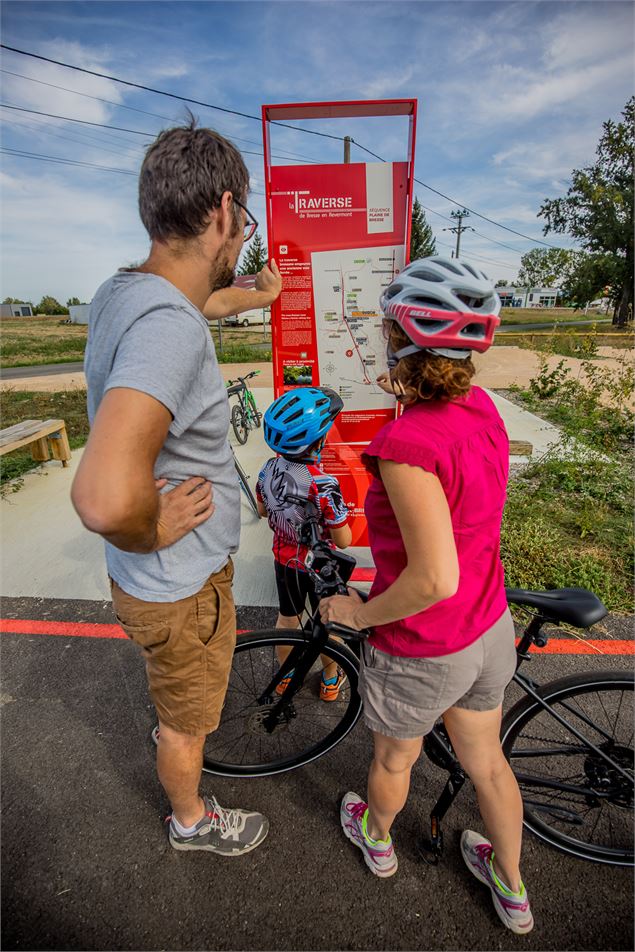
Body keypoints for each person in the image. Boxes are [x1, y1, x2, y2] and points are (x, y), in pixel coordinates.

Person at [71, 118, 281, 856]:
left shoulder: (127, 291)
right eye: (243, 222)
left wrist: (257, 295)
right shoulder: (169, 328)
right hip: (176, 580)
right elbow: (99, 496)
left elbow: (201, 304)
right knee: (186, 721)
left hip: (160, 578)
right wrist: (149, 528)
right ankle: (191, 821)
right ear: (224, 212)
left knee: (176, 704)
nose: (243, 239)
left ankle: (174, 741)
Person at [319, 257, 534, 934]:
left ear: (397, 337)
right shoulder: (482, 409)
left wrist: (357, 613)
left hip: (424, 644)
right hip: (486, 628)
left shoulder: (407, 442)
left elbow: (430, 577)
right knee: (487, 763)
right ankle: (512, 887)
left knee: (393, 758)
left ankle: (375, 839)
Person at [257, 387, 352, 700]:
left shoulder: (268, 469)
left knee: (287, 618)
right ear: (319, 440)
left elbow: (262, 510)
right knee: (329, 621)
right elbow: (344, 539)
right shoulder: (323, 483)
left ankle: (285, 678)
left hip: (284, 560)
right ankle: (329, 678)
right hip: (320, 565)